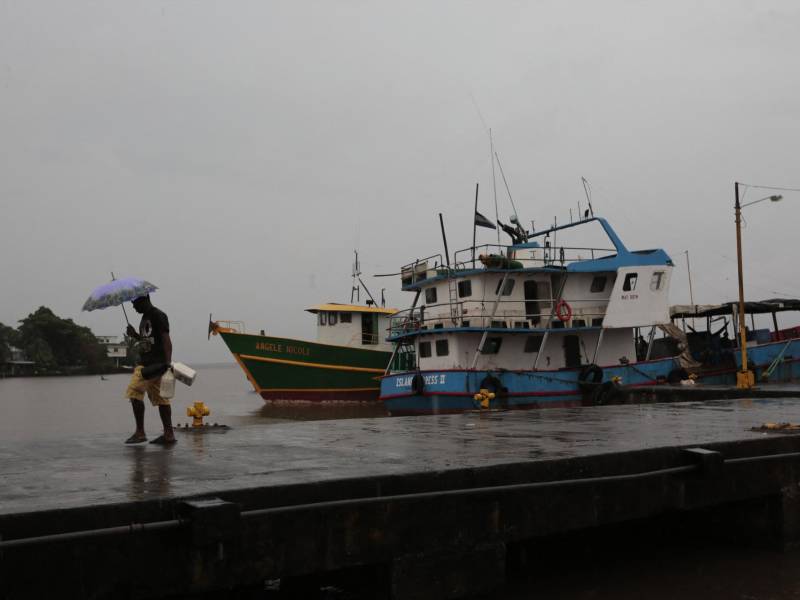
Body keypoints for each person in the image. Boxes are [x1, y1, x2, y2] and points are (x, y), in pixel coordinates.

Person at [123, 295, 175, 445]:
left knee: (134, 392)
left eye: (135, 304)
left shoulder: (158, 315)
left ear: (144, 300)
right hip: (149, 363)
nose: (133, 307)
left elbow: (166, 339)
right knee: (162, 398)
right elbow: (148, 341)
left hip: (155, 365)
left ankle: (140, 433)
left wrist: (167, 363)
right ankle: (169, 434)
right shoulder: (144, 318)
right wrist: (135, 335)